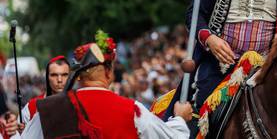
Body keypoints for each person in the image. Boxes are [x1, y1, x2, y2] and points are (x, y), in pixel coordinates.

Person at [22, 30, 192, 138]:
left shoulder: (49, 109)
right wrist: (180, 119)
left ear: (78, 76)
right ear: (109, 73)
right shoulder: (133, 111)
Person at [21, 55, 70, 124]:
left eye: (64, 75)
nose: (59, 80)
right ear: (47, 77)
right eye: (54, 75)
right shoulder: (31, 107)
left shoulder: (79, 103)